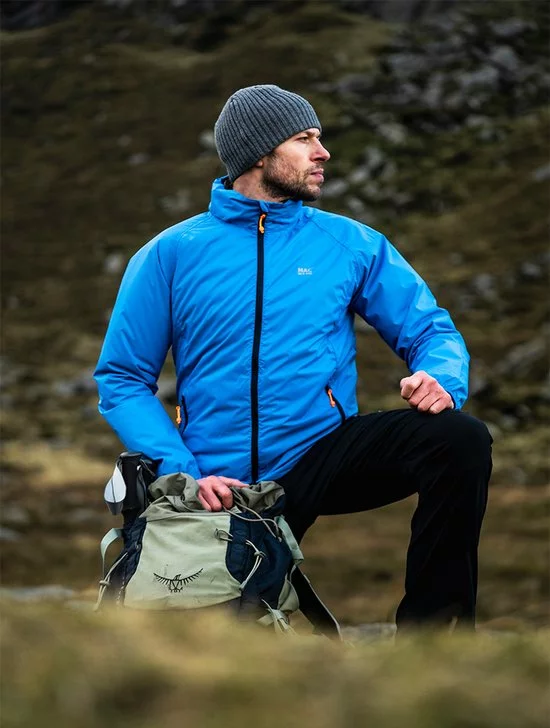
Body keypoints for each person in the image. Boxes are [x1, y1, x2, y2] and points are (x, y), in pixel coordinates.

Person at [94, 84, 492, 630]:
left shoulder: (351, 244)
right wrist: (182, 472)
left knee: (458, 439)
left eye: (318, 138)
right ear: (259, 154)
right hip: (217, 481)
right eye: (304, 139)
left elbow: (428, 328)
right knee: (219, 646)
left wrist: (440, 375)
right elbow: (122, 378)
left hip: (320, 456)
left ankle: (434, 637)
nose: (322, 153)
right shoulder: (170, 254)